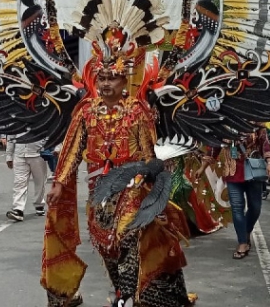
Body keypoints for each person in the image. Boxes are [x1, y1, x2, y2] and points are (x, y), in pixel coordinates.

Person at [43, 63, 193, 307]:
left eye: (111, 79)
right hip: (98, 189)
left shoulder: (136, 110)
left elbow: (148, 152)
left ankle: (126, 298)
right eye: (101, 78)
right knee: (105, 244)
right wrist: (59, 183)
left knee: (125, 236)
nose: (105, 84)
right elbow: (71, 150)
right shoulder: (86, 112)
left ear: (124, 82)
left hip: (131, 186)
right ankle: (125, 291)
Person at [214, 126, 270, 259]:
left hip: (253, 169)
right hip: (232, 171)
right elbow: (215, 144)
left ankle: (246, 230)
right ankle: (242, 242)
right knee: (237, 207)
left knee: (255, 207)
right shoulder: (224, 121)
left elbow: (265, 142)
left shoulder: (255, 120)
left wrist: (269, 161)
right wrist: (203, 166)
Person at [5, 137, 48, 222]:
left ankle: (39, 203)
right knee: (19, 183)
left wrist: (51, 147)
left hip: (38, 155)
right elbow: (11, 136)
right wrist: (9, 156)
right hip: (19, 155)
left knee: (40, 182)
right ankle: (18, 209)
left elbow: (50, 132)